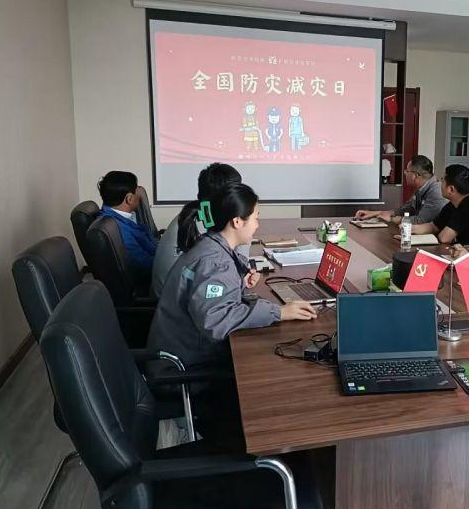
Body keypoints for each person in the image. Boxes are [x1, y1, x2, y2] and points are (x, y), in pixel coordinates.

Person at [147, 183, 318, 450]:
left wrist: (238, 283)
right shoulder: (215, 261)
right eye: (256, 218)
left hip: (181, 353)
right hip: (184, 368)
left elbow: (210, 298)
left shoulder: (210, 246)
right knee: (269, 369)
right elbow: (216, 322)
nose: (258, 225)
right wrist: (278, 312)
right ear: (237, 221)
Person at [151, 163, 243, 297]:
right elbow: (227, 269)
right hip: (175, 301)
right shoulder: (203, 224)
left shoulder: (198, 213)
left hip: (179, 295)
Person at [97, 171, 158, 284]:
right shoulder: (118, 231)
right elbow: (147, 266)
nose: (139, 195)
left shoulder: (117, 218)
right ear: (129, 198)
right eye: (137, 191)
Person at [410, 164, 469, 245]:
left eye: (442, 180)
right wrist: (408, 229)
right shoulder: (453, 203)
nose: (440, 183)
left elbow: (444, 238)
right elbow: (433, 226)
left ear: (451, 189)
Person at [354, 155, 447, 225]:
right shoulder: (421, 187)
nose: (405, 173)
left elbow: (420, 221)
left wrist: (392, 219)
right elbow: (408, 208)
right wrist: (377, 213)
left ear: (415, 175)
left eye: (407, 171)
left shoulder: (436, 192)